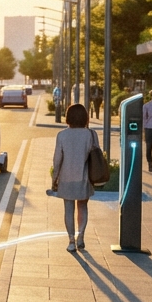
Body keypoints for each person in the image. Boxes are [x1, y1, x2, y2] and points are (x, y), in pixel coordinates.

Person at [52, 103, 96, 252]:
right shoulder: (90, 134)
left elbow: (57, 160)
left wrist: (54, 179)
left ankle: (71, 241)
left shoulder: (62, 135)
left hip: (66, 177)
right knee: (83, 206)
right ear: (85, 117)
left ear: (68, 117)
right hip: (84, 177)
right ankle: (81, 236)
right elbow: (95, 156)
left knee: (68, 209)